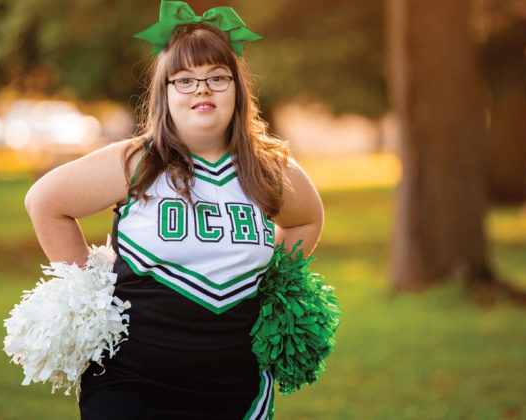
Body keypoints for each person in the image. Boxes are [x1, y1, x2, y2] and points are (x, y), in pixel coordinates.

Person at [23, 3, 323, 418]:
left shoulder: (269, 168)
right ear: (164, 94)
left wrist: (271, 281)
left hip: (237, 388)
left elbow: (306, 219)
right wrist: (90, 296)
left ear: (238, 89)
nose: (202, 89)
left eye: (217, 77)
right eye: (185, 80)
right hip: (130, 383)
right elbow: (45, 202)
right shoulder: (135, 161)